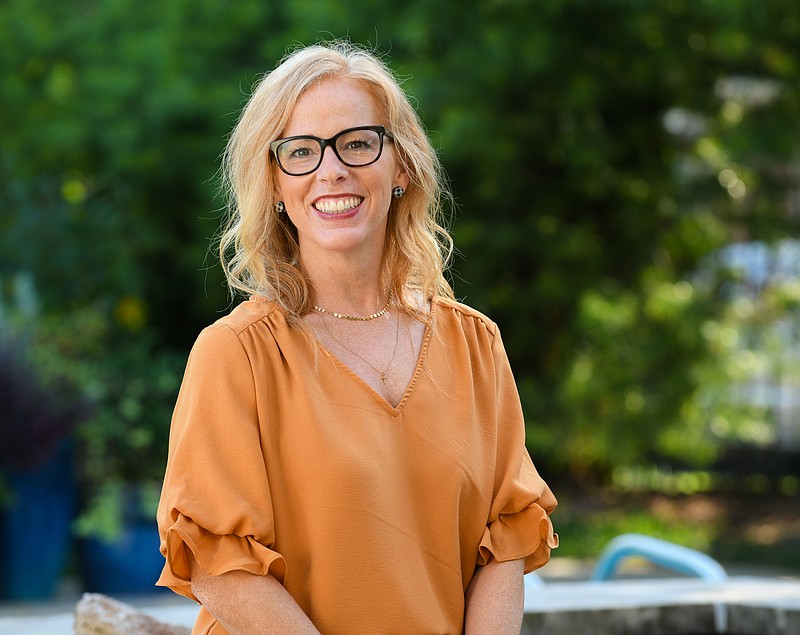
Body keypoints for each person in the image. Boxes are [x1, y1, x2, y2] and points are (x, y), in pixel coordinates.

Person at [156, 40, 558, 635]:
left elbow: (506, 538)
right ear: (274, 184)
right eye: (300, 151)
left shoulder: (475, 346)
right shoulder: (236, 354)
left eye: (358, 142)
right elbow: (219, 564)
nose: (331, 169)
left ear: (401, 165)